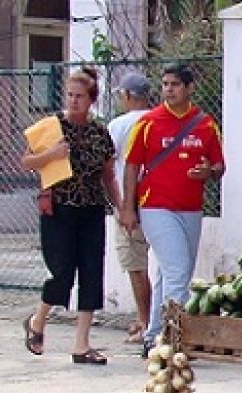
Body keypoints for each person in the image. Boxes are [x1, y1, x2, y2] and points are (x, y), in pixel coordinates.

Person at [118, 63, 225, 357]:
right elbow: (131, 166)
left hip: (191, 208)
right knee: (178, 271)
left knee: (171, 273)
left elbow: (219, 165)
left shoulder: (205, 124)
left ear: (190, 88)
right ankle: (173, 338)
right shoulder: (149, 122)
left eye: (175, 84)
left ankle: (152, 336)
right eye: (165, 84)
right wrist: (128, 208)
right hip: (155, 206)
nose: (169, 89)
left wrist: (209, 171)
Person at [20, 67, 121, 365]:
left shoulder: (100, 132)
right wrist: (51, 154)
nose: (73, 101)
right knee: (62, 272)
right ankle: (37, 321)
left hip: (91, 209)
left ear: (91, 100)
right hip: (60, 208)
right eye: (70, 95)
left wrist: (121, 208)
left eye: (80, 96)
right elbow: (27, 161)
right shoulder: (52, 127)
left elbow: (108, 176)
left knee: (91, 272)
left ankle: (81, 344)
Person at [107, 72, 153, 344]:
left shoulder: (119, 125)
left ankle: (145, 320)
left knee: (136, 264)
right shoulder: (158, 120)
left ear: (126, 96)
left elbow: (108, 163)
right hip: (158, 201)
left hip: (129, 203)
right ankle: (147, 320)